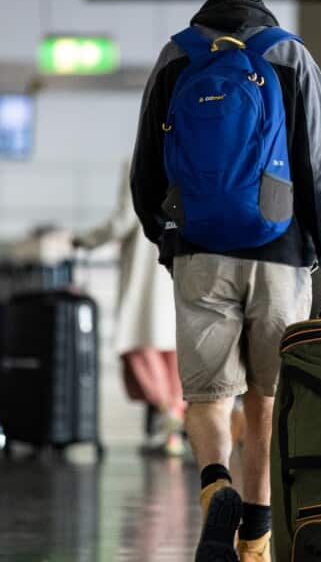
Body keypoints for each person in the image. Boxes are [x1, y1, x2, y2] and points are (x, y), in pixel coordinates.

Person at [130, 0, 321, 562]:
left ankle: (214, 492)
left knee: (206, 394)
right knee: (265, 400)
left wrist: (168, 239)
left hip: (200, 249)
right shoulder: (288, 54)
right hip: (281, 252)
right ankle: (255, 542)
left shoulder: (178, 55)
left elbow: (146, 169)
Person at [74, 159, 188, 457]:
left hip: (146, 269)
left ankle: (168, 412)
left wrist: (84, 240)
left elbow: (125, 218)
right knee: (170, 350)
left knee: (138, 344)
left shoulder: (139, 160)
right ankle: (172, 429)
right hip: (178, 263)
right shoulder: (188, 155)